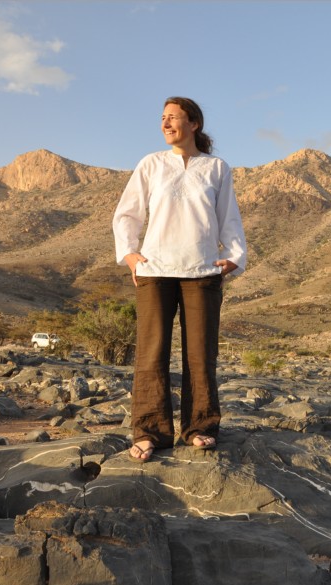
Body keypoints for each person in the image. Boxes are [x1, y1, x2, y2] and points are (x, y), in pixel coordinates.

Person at [112, 97, 247, 463]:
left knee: (201, 355)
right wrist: (129, 254)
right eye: (162, 118)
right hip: (154, 271)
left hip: (202, 272)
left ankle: (200, 426)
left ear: (194, 123)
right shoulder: (151, 164)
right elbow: (127, 214)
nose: (165, 124)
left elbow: (229, 218)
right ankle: (150, 431)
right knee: (151, 353)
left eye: (173, 118)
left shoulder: (216, 168)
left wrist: (235, 257)